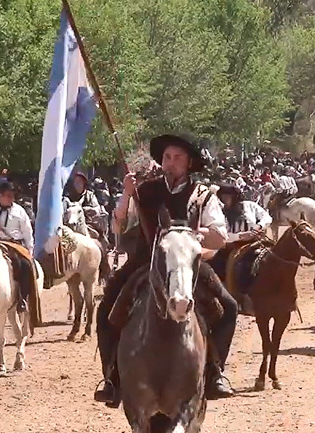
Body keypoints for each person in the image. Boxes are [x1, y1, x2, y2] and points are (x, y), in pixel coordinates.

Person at [94, 134, 236, 408]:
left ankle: (214, 371)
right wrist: (125, 194)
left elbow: (220, 236)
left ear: (189, 163)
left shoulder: (203, 195)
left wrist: (198, 233)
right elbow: (118, 227)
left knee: (228, 307)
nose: (171, 163)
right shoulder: (144, 191)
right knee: (106, 308)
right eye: (167, 157)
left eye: (178, 158)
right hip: (146, 261)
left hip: (187, 264)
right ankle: (112, 377)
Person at [0, 180, 35, 312]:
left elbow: (27, 231)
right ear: (0, 196)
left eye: (12, 195)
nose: (11, 198)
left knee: (24, 265)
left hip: (14, 244)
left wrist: (29, 250)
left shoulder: (20, 211)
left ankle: (22, 298)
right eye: (8, 195)